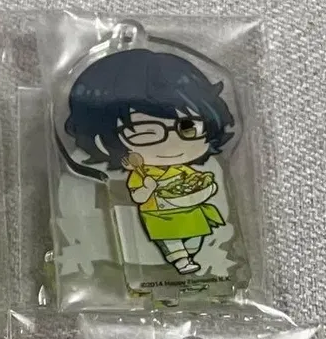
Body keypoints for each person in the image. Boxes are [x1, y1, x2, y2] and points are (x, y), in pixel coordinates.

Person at [65, 49, 234, 274]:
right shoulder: (136, 173)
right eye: (146, 131)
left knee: (196, 240)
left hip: (192, 212)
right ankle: (181, 260)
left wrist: (208, 188)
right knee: (171, 242)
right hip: (158, 217)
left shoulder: (196, 168)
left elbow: (207, 187)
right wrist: (148, 188)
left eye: (187, 128)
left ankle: (189, 257)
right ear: (103, 137)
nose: (172, 141)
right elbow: (138, 196)